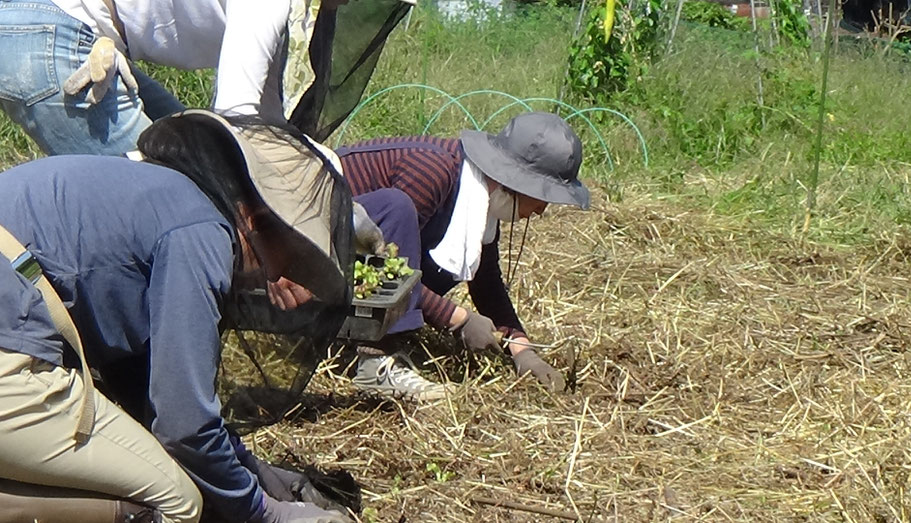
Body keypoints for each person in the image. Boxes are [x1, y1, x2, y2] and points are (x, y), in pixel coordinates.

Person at [0, 110, 365, 522]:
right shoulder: (200, 232)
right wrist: (266, 514)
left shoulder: (164, 198)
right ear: (255, 220)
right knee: (176, 503)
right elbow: (183, 427)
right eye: (295, 254)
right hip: (9, 350)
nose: (285, 278)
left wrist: (251, 470)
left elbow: (147, 389)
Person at [338, 111, 590, 400]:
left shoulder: (479, 199)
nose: (541, 211)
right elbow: (381, 266)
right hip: (310, 250)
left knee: (433, 266)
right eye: (543, 196)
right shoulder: (431, 171)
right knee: (398, 218)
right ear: (519, 182)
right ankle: (375, 363)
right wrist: (456, 319)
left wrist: (522, 350)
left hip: (345, 266)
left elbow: (487, 285)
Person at [0, 0, 348, 155]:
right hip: (48, 34)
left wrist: (328, 190)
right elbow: (234, 116)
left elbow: (267, 121)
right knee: (172, 207)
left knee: (192, 153)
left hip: (72, 30)